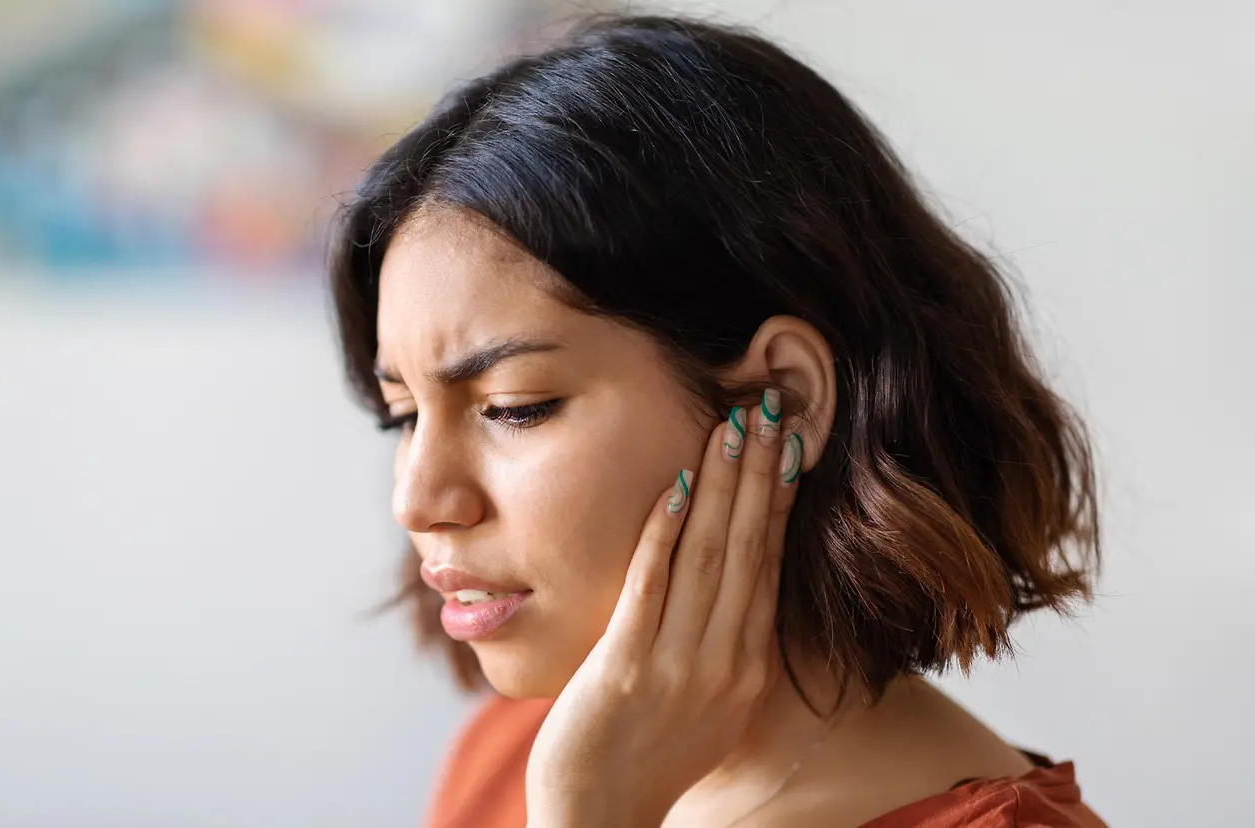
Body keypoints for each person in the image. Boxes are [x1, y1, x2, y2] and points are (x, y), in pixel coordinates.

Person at [328, 14, 1107, 828]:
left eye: (512, 408)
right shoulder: (525, 753)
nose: (417, 502)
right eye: (405, 416)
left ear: (784, 400)